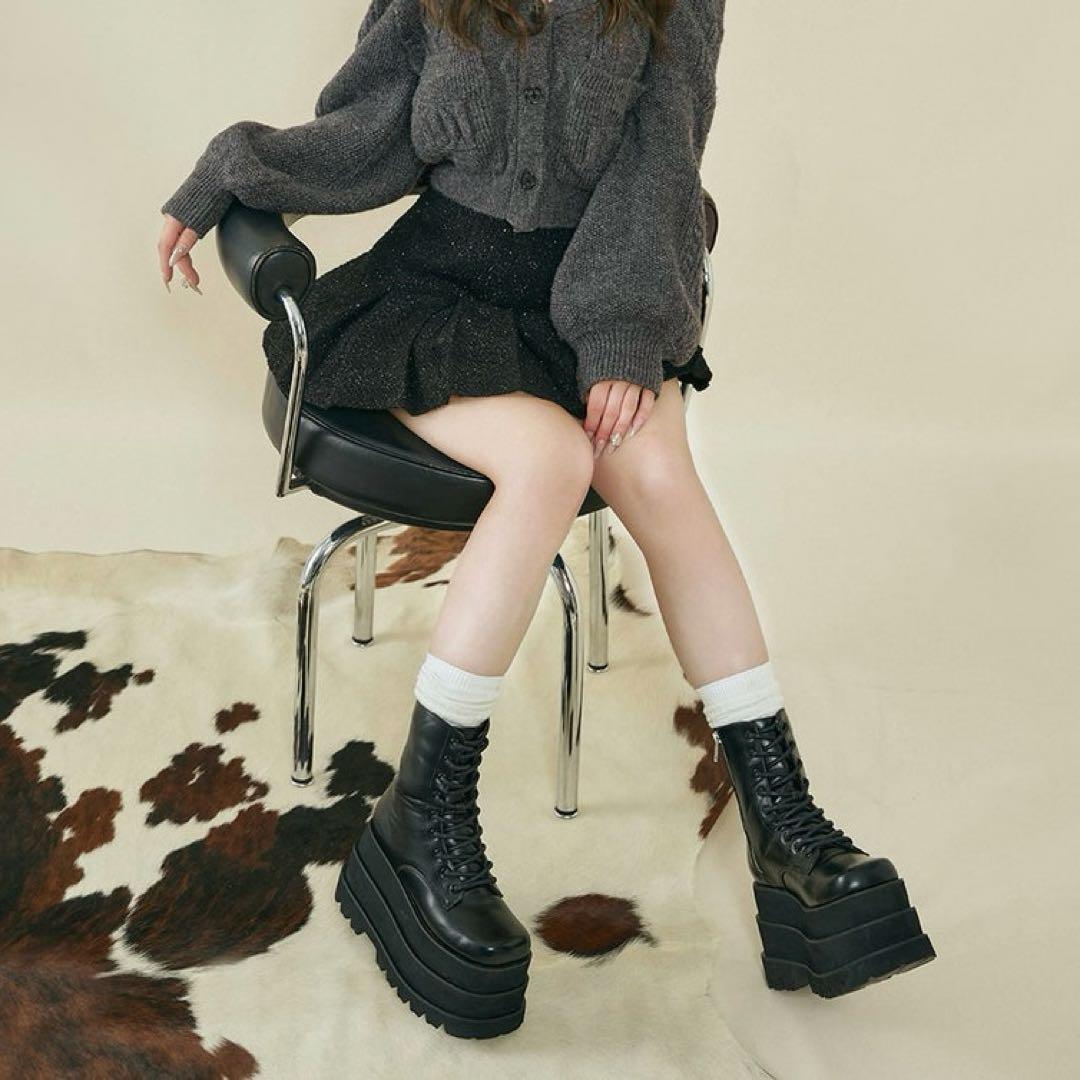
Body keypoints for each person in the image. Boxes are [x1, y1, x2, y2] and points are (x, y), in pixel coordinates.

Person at [156, 0, 934, 1039]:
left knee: (660, 471)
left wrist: (619, 337)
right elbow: (375, 124)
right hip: (438, 286)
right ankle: (419, 819)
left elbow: (661, 162)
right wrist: (235, 169)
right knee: (551, 462)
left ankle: (785, 826)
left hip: (601, 286)